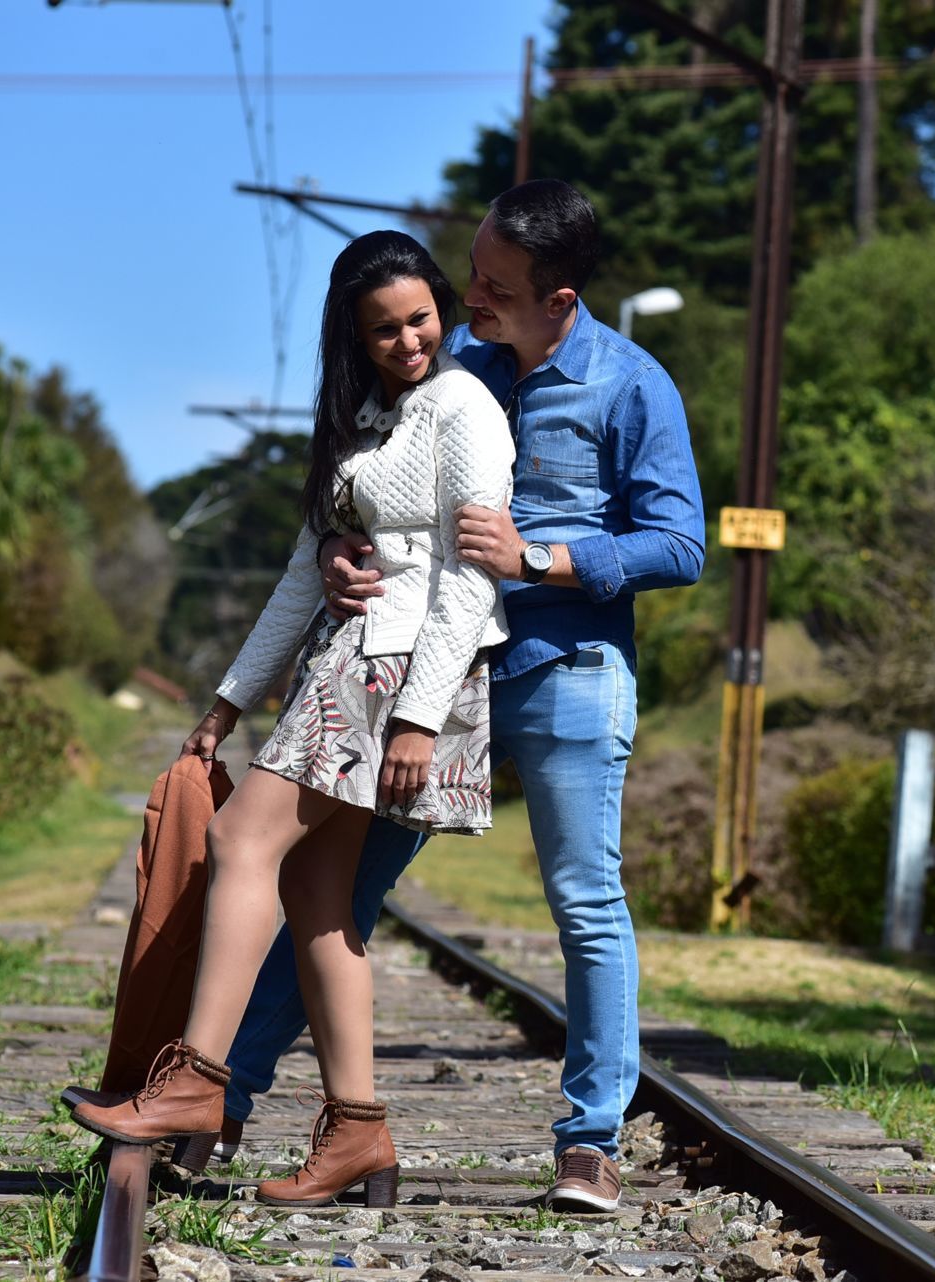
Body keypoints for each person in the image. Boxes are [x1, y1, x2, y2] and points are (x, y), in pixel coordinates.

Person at [205, 180, 705, 1213]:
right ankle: (228, 1099)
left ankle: (590, 1142)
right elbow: (381, 502)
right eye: (470, 272)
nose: (465, 293)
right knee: (334, 892)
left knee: (585, 904)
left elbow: (680, 542)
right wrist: (347, 554)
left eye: (492, 283)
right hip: (445, 680)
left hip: (569, 674)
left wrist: (548, 556)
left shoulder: (631, 384)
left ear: (558, 298)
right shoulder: (457, 373)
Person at [67, 231, 515, 1210]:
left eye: (419, 318)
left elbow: (468, 573)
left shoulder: (464, 405)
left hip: (401, 676)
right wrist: (229, 697)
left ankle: (195, 1079)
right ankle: (358, 1129)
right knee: (318, 896)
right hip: (346, 665)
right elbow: (300, 570)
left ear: (438, 307)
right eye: (385, 328)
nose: (409, 341)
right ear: (355, 337)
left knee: (242, 836)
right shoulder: (361, 417)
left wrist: (419, 720)